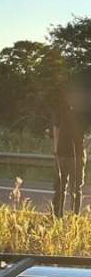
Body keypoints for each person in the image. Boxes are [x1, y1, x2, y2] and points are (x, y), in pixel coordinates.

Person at [52, 82, 87, 216]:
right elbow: (56, 127)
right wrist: (55, 150)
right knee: (60, 188)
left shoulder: (84, 112)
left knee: (76, 189)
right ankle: (57, 217)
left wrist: (86, 145)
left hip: (78, 155)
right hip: (62, 154)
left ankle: (75, 218)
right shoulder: (60, 109)